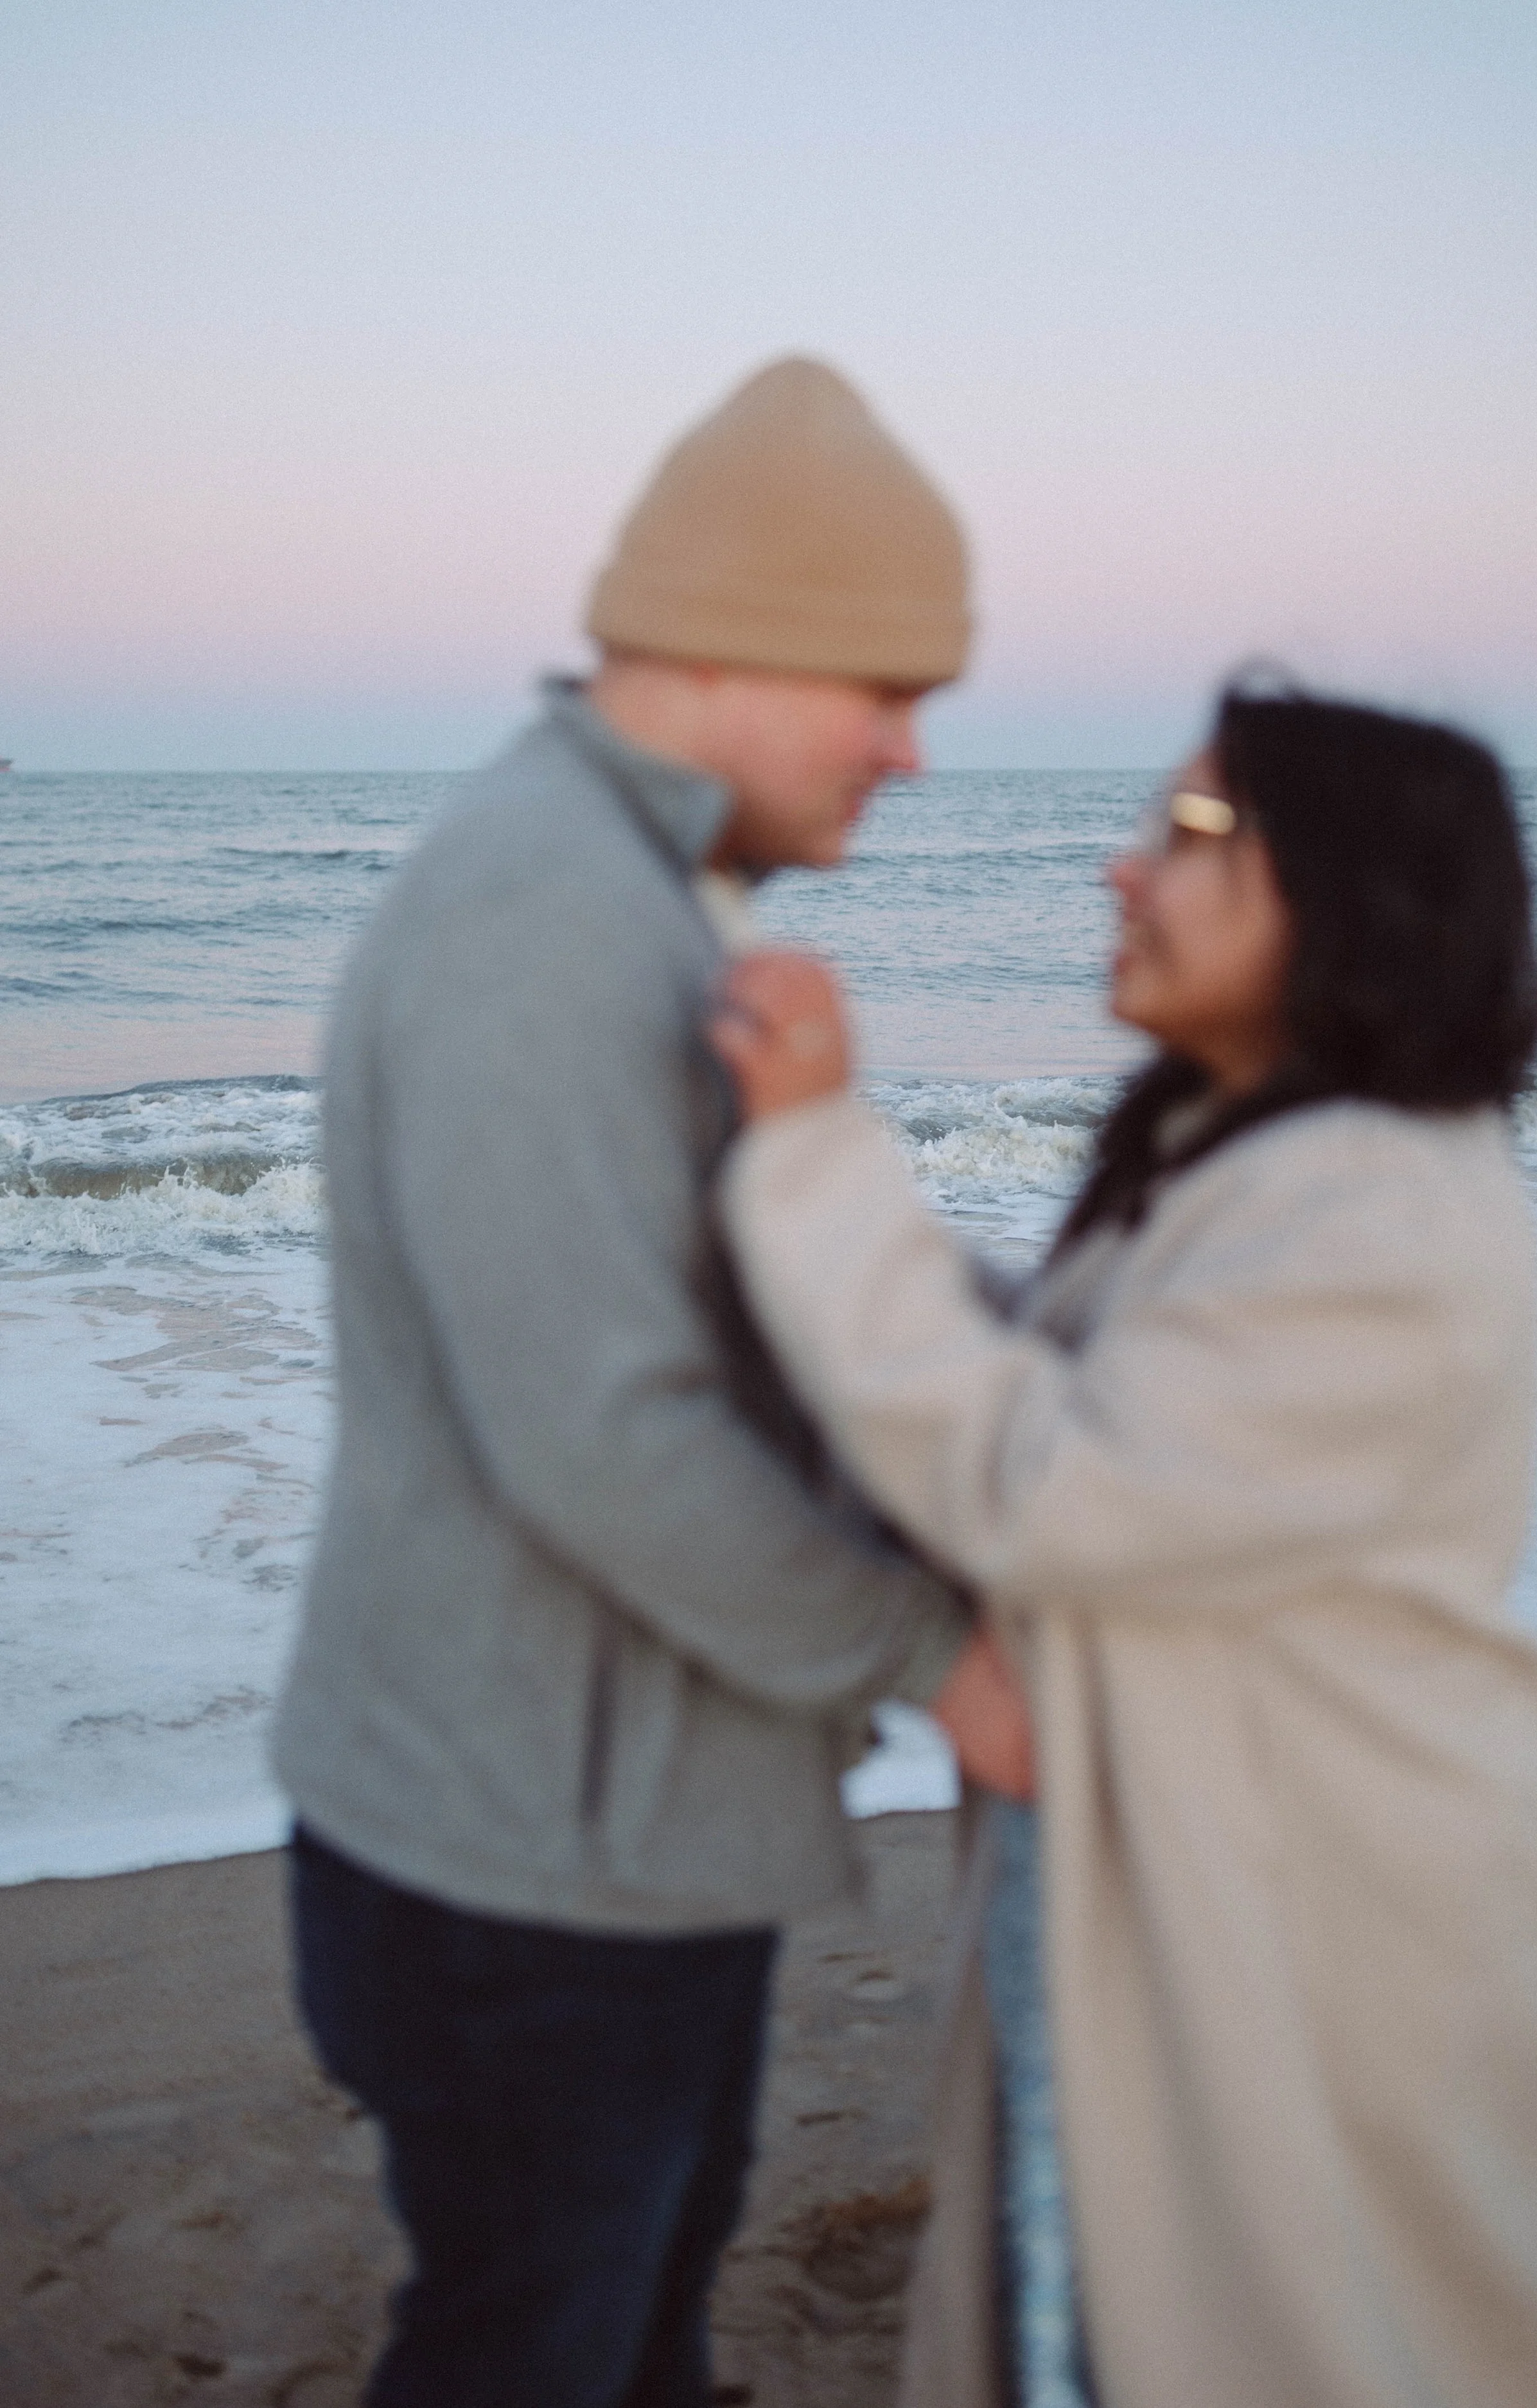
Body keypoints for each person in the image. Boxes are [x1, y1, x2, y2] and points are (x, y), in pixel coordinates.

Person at [272, 356, 1033, 2408]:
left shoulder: (644, 886)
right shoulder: (546, 915)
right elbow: (601, 1440)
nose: (909, 749)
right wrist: (935, 1656)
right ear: (727, 647)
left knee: (642, 2349)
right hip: (518, 1870)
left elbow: (760, 1269)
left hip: (620, 1827)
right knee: (541, 2355)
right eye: (884, 684)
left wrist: (1112, 1334)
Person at [710, 686, 1537, 2408]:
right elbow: (1082, 1388)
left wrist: (814, 1155)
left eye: (1195, 835)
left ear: (1352, 894)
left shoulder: (1379, 1207)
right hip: (1204, 1890)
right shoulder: (1254, 1161)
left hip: (1321, 1935)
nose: (1122, 872)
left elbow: (1054, 1484)